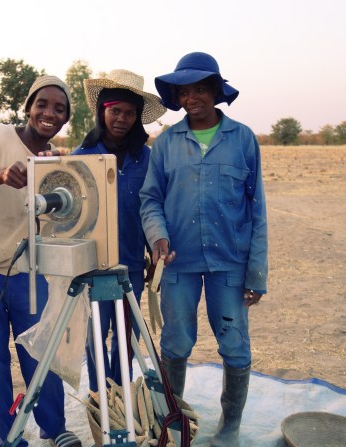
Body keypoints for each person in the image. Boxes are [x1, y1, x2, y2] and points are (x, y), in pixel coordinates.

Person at [140, 52, 268, 446]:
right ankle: (173, 421)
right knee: (175, 344)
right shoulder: (165, 144)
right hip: (178, 264)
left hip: (230, 264)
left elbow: (257, 208)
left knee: (234, 346)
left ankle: (229, 428)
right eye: (184, 91)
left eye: (200, 88)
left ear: (215, 91)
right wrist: (158, 235)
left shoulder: (242, 138)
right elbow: (150, 199)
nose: (192, 97)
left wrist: (256, 273)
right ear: (176, 97)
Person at [0, 75, 82, 447]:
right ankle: (10, 437)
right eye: (43, 104)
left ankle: (55, 430)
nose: (49, 113)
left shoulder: (54, 159)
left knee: (42, 356)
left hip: (30, 273)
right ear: (28, 107)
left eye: (59, 109)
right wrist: (1, 175)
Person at [72, 69, 166, 393]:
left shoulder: (148, 159)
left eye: (130, 113)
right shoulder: (81, 157)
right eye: (115, 111)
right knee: (96, 338)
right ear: (103, 111)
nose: (122, 118)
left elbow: (154, 208)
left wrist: (157, 251)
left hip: (132, 268)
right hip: (92, 268)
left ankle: (121, 399)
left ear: (138, 117)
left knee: (126, 339)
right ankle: (102, 400)